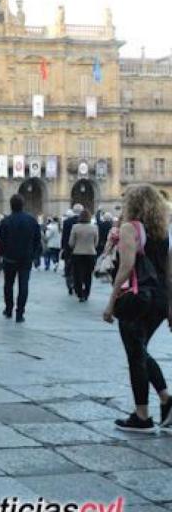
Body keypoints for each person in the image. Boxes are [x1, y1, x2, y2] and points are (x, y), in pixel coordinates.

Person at [103, 184, 171, 432]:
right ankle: (166, 400)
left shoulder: (131, 228)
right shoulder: (163, 232)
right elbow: (168, 272)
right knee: (140, 350)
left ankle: (142, 416)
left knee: (135, 354)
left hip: (137, 298)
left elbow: (126, 266)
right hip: (159, 299)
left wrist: (111, 301)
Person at [0, 194, 42, 323]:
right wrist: (34, 255)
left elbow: (1, 241)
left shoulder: (5, 221)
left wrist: (2, 255)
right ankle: (20, 313)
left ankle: (8, 309)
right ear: (23, 205)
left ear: (11, 205)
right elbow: (37, 240)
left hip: (9, 258)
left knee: (8, 285)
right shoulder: (32, 220)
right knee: (23, 285)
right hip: (26, 258)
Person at [69, 209, 99, 302]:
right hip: (90, 253)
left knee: (77, 275)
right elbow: (96, 242)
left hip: (78, 253)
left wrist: (75, 246)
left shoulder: (75, 227)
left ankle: (80, 294)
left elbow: (71, 242)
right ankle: (86, 293)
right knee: (88, 275)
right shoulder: (94, 227)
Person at [61, 205, 83, 295]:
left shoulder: (67, 222)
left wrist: (63, 247)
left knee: (68, 267)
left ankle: (69, 285)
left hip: (68, 249)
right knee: (79, 268)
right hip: (81, 249)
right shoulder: (84, 222)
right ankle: (76, 284)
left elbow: (64, 236)